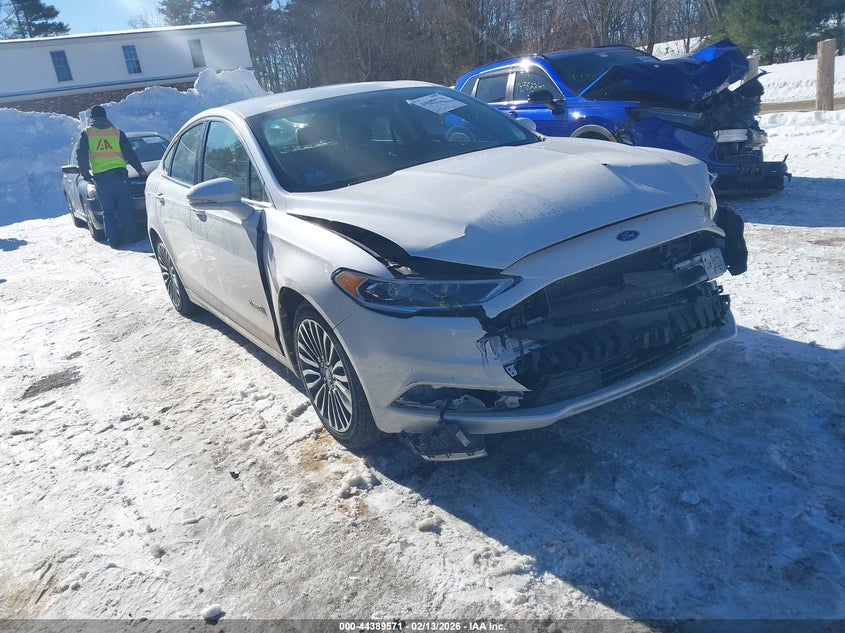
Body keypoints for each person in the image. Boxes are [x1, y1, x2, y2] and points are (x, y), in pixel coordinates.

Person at [76, 105, 147, 248]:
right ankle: (133, 236)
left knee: (107, 211)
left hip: (101, 178)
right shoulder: (116, 132)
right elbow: (129, 153)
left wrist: (85, 174)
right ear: (105, 117)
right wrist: (139, 169)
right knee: (126, 207)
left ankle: (113, 240)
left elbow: (81, 155)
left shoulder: (87, 133)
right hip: (120, 175)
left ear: (91, 118)